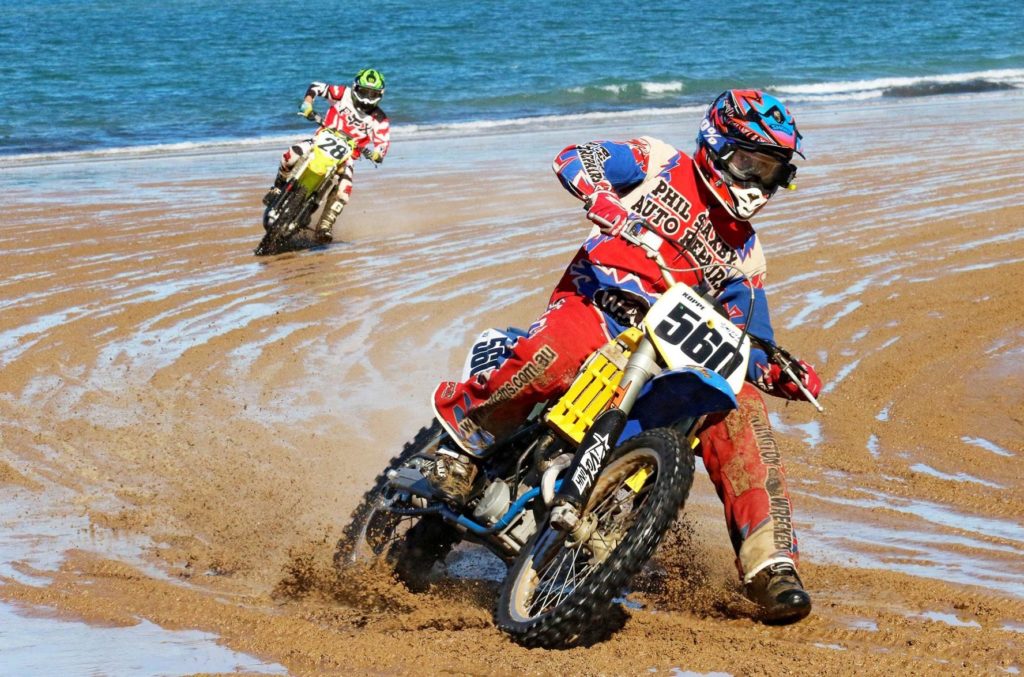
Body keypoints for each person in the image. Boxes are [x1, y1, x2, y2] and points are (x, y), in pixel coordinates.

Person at [429, 89, 823, 623]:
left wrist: (783, 371)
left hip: (666, 357)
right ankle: (464, 437)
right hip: (598, 307)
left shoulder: (746, 256)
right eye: (748, 163)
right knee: (561, 351)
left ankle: (770, 564)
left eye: (771, 171)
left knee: (741, 408)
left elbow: (748, 339)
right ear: (716, 145)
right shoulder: (656, 162)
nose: (756, 181)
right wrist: (600, 196)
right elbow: (575, 157)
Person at [263, 68, 391, 242]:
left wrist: (376, 154)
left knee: (344, 189)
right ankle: (277, 186)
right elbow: (316, 86)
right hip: (320, 141)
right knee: (290, 155)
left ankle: (325, 225)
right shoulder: (343, 94)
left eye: (372, 94)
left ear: (380, 94)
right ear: (355, 88)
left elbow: (382, 143)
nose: (367, 98)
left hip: (347, 156)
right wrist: (308, 103)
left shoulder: (380, 119)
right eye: (364, 92)